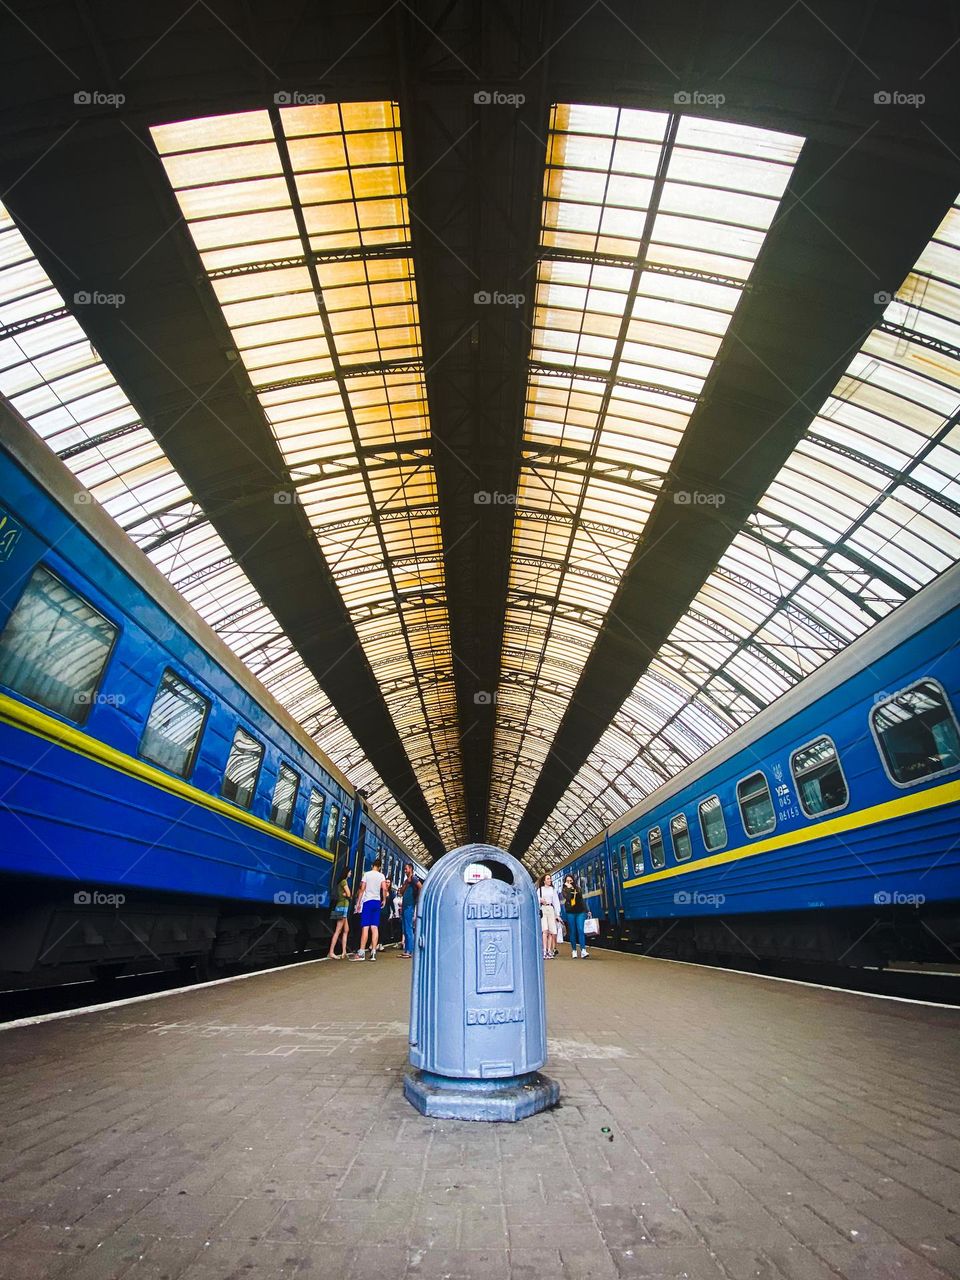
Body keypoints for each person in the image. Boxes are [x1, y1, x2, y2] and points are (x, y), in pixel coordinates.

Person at [349, 857, 387, 961]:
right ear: (379, 867)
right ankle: (373, 953)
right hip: (376, 902)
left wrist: (358, 903)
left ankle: (361, 953)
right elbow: (384, 888)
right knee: (374, 928)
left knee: (365, 927)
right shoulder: (381, 876)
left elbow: (362, 889)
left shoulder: (367, 874)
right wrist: (384, 899)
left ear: (372, 866)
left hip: (367, 902)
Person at [562, 873, 589, 958]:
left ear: (573, 880)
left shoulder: (578, 889)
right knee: (573, 931)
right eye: (567, 881)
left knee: (581, 930)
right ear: (565, 882)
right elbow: (568, 898)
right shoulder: (564, 890)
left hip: (580, 911)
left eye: (571, 880)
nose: (569, 882)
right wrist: (569, 888)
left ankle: (583, 950)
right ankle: (574, 950)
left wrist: (587, 910)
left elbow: (581, 900)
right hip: (570, 912)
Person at [399, 863, 421, 957]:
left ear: (411, 869)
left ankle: (409, 951)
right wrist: (406, 883)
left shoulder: (414, 879)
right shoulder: (406, 881)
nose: (405, 871)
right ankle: (406, 950)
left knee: (408, 928)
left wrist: (418, 899)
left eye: (406, 869)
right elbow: (401, 892)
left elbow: (420, 886)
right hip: (405, 906)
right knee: (405, 928)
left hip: (409, 906)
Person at [327, 874, 351, 959]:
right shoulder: (344, 881)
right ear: (347, 872)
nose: (350, 874)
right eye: (350, 872)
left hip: (341, 907)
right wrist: (346, 894)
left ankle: (344, 951)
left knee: (346, 930)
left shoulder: (341, 882)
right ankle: (331, 952)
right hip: (342, 907)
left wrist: (346, 894)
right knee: (338, 930)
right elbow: (349, 894)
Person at [538, 874, 561, 958]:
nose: (550, 880)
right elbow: (536, 899)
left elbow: (556, 902)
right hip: (543, 909)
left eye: (550, 879)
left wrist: (557, 914)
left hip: (551, 909)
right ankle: (544, 950)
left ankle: (549, 950)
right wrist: (540, 900)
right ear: (544, 881)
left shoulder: (552, 890)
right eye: (548, 879)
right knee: (545, 930)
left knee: (551, 931)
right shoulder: (540, 890)